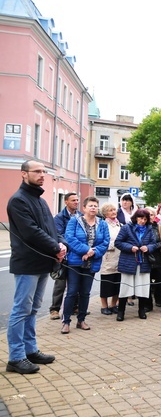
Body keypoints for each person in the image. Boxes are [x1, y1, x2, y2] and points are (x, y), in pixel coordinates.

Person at [5, 160, 66, 374]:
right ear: (24, 174)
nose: (42, 175)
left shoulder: (40, 199)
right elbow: (31, 231)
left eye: (43, 171)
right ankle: (16, 357)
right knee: (21, 310)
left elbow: (51, 228)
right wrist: (55, 247)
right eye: (37, 171)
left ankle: (30, 350)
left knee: (32, 309)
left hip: (43, 261)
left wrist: (61, 243)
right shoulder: (18, 200)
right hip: (27, 263)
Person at [61, 197, 110, 334]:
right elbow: (69, 238)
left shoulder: (102, 223)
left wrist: (92, 253)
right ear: (84, 208)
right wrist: (85, 250)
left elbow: (105, 242)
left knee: (85, 292)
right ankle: (66, 322)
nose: (93, 208)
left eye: (95, 205)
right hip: (75, 262)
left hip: (92, 262)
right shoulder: (75, 221)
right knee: (71, 292)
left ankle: (81, 320)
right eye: (90, 205)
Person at [114, 209, 157, 321]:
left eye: (145, 219)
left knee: (142, 287)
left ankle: (141, 310)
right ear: (136, 217)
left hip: (143, 262)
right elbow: (118, 242)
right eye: (140, 218)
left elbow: (153, 244)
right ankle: (121, 311)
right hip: (128, 261)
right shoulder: (126, 228)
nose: (142, 221)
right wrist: (129, 247)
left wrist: (148, 248)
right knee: (125, 287)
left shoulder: (149, 229)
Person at [50, 192, 80, 320]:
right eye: (73, 200)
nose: (76, 202)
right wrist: (70, 244)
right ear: (66, 202)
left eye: (77, 200)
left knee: (76, 282)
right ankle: (55, 309)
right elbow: (58, 234)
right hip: (64, 254)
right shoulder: (59, 218)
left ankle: (74, 307)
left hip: (76, 254)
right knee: (60, 283)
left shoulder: (81, 216)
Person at [99, 203, 122, 315]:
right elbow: (101, 241)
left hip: (119, 256)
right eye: (110, 210)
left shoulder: (120, 224)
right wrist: (114, 244)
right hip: (108, 256)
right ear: (105, 213)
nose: (113, 212)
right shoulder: (103, 225)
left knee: (117, 281)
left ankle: (114, 304)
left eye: (114, 210)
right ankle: (104, 305)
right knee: (106, 282)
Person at [146, 207, 161, 312]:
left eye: (151, 214)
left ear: (155, 216)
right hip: (145, 259)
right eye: (147, 214)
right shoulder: (140, 227)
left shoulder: (160, 227)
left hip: (159, 258)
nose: (149, 216)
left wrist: (154, 246)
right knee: (146, 283)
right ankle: (147, 305)